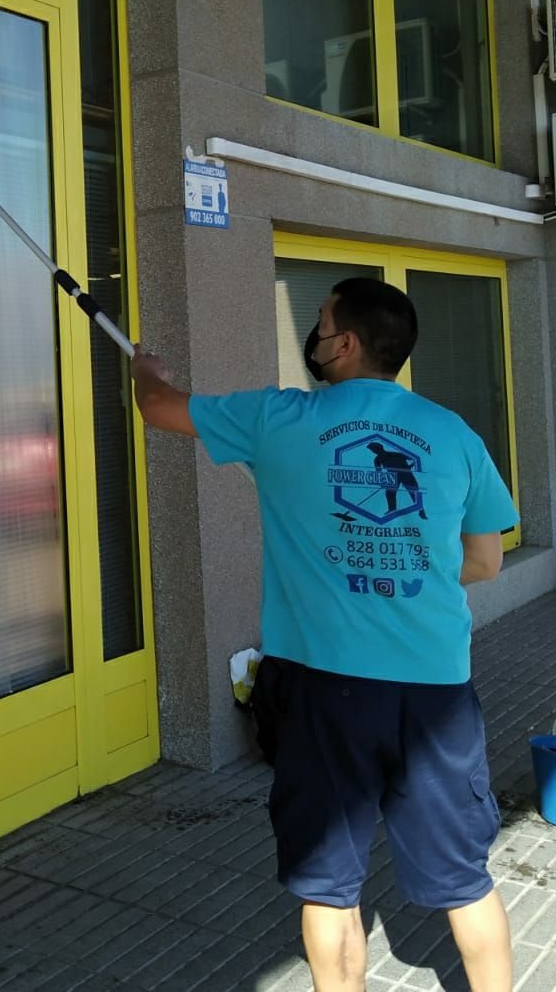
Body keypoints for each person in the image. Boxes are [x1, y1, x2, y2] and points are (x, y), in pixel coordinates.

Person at [129, 278, 513, 992]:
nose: (311, 332)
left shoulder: (278, 419)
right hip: (434, 690)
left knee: (329, 889)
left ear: (343, 343)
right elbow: (486, 560)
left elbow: (156, 409)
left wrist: (147, 370)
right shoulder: (453, 432)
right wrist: (400, 574)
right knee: (464, 877)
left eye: (319, 321)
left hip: (321, 690)